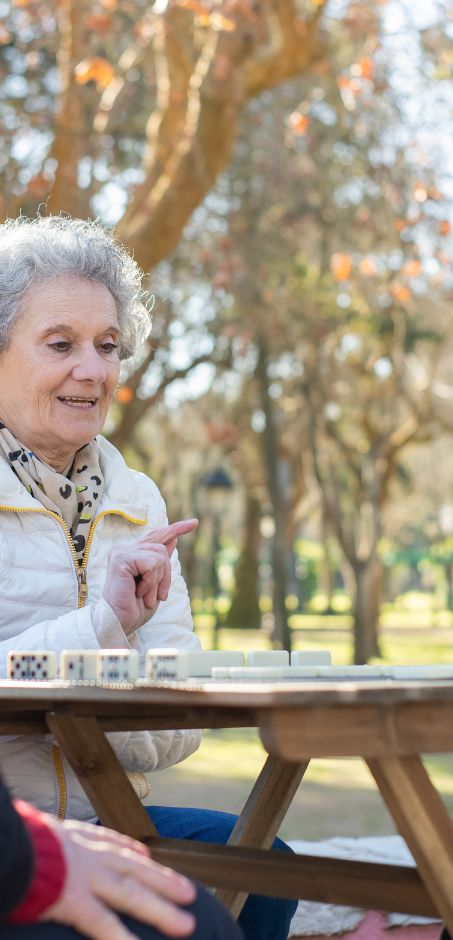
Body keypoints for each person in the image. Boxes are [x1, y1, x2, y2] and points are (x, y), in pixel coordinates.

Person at [0, 216, 297, 940]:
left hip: (110, 813)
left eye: (108, 347)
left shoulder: (137, 500)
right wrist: (104, 629)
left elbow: (179, 726)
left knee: (262, 870)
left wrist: (108, 701)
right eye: (60, 344)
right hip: (13, 841)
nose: (93, 370)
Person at [1, 773, 243, 940]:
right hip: (26, 832)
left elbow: (179, 735)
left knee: (244, 846)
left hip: (94, 815)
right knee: (200, 921)